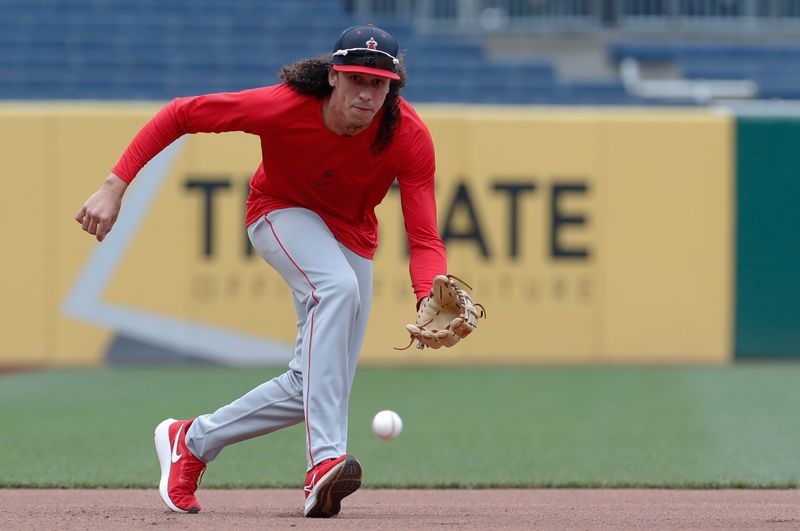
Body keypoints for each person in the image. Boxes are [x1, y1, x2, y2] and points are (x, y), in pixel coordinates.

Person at [74, 25, 446, 518]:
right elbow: (181, 114)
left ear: (392, 87)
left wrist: (428, 293)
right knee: (335, 292)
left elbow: (423, 237)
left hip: (352, 234)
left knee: (318, 383)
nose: (366, 92)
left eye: (379, 83)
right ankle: (323, 465)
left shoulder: (408, 136)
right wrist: (114, 185)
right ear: (334, 76)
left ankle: (191, 440)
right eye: (356, 78)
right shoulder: (283, 105)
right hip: (279, 212)